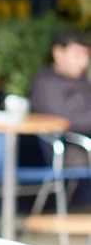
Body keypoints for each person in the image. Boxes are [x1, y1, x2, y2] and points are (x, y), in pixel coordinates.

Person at [30, 29, 91, 163]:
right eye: (76, 55)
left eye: (86, 56)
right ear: (58, 53)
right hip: (68, 149)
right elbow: (62, 121)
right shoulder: (46, 83)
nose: (83, 63)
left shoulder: (82, 80)